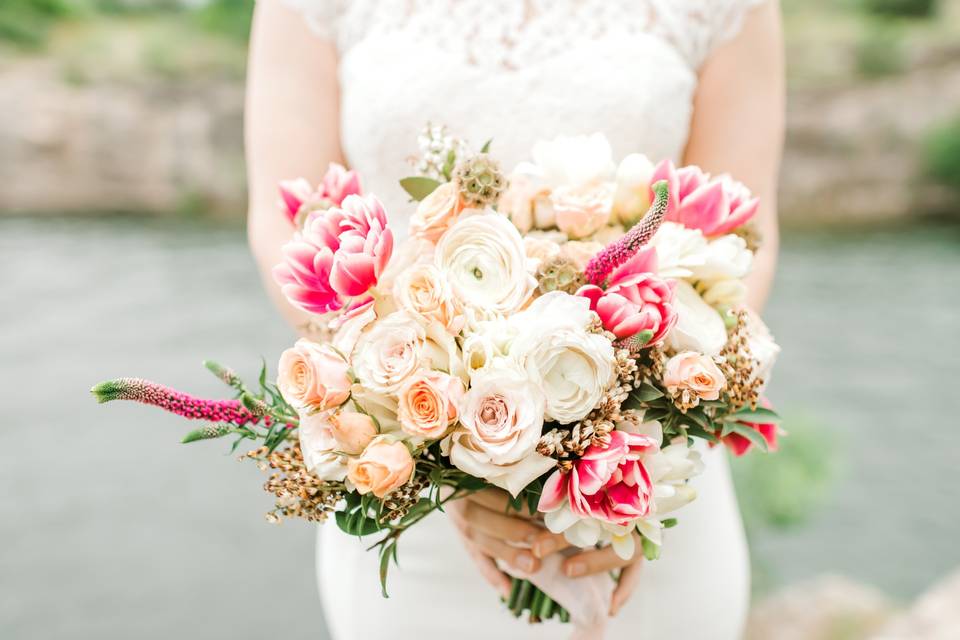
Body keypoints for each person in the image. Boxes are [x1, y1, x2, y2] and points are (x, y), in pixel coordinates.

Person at [246, 1, 783, 637]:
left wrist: (627, 453)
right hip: (412, 502)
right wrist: (445, 455)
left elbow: (745, 231)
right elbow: (285, 220)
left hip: (643, 489)